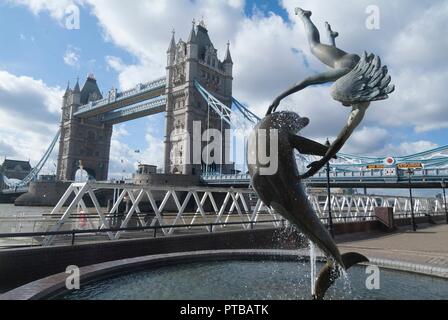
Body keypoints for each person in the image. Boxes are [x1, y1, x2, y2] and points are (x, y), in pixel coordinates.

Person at [267, 8, 393, 179]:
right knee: (314, 46)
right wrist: (279, 97)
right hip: (347, 63)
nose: (343, 105)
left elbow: (340, 139)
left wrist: (322, 162)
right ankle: (305, 15)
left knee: (330, 60)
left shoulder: (362, 101)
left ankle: (331, 37)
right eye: (343, 102)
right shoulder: (346, 75)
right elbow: (308, 80)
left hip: (356, 65)